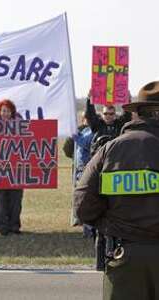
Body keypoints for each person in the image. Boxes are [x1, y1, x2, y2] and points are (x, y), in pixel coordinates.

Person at [74, 81, 159, 300]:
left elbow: (83, 206)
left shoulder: (110, 150)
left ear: (137, 114)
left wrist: (112, 226)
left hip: (124, 256)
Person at [0, 99, 23, 236]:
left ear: (12, 112)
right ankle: (1, 226)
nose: (5, 113)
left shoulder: (21, 126)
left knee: (16, 198)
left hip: (16, 169)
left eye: (8, 111)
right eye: (3, 111)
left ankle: (14, 225)